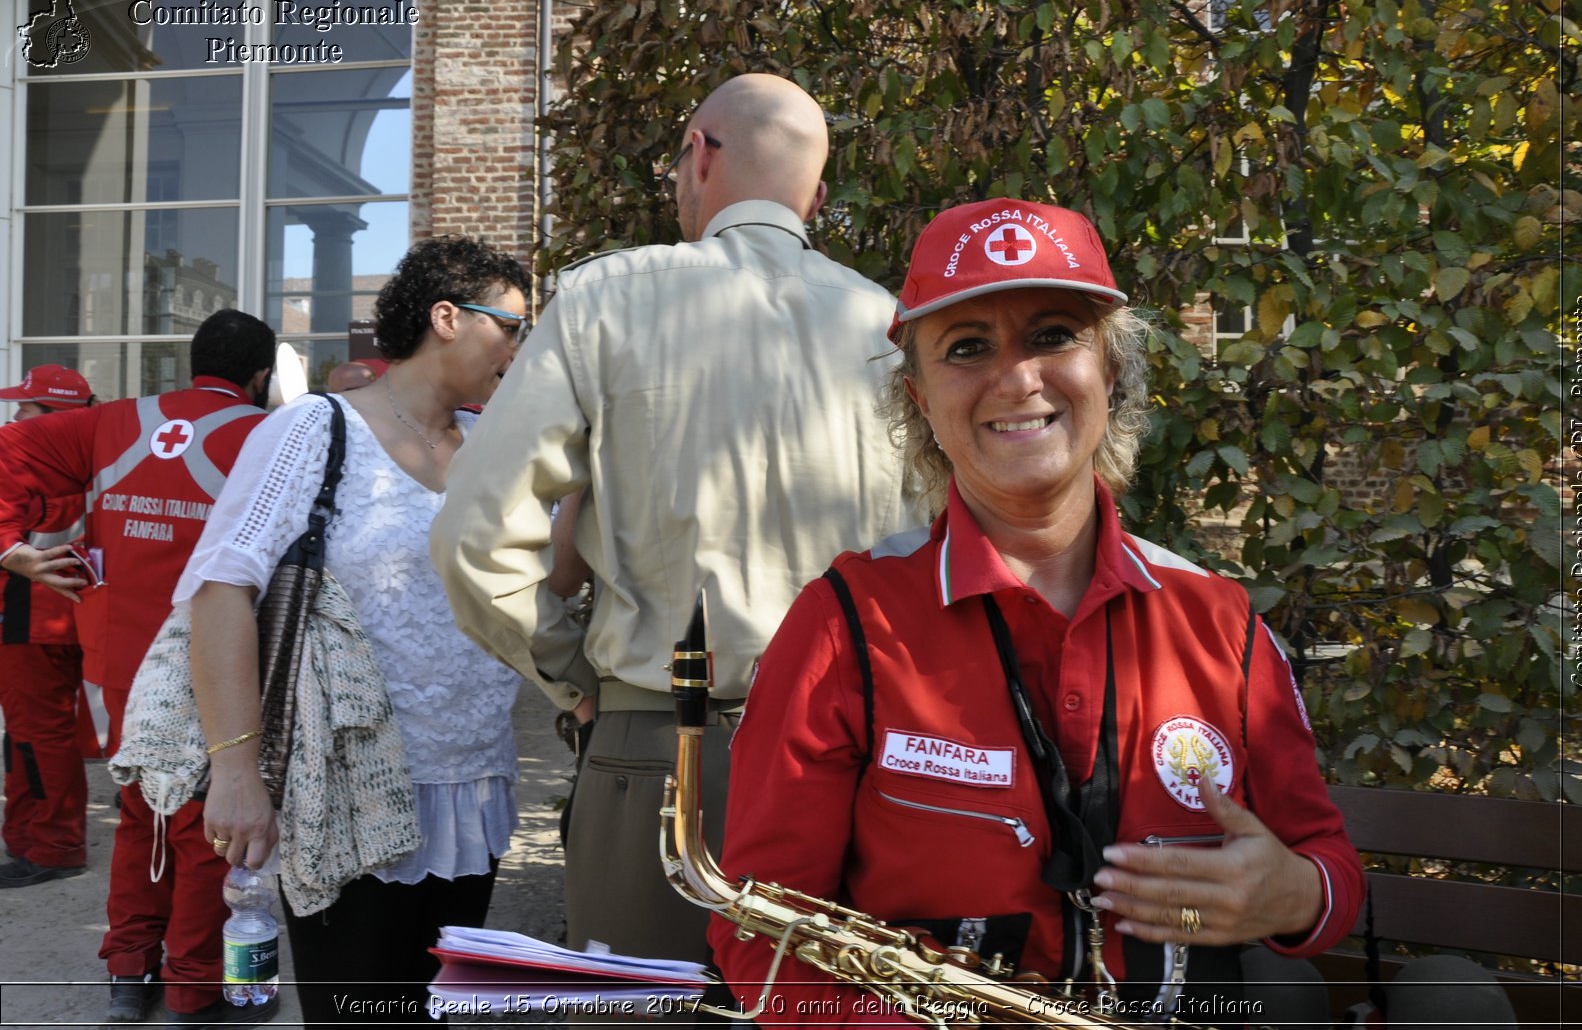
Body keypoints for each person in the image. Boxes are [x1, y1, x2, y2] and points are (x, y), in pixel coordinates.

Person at [709, 199, 1367, 1026]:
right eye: (968, 347)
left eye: (1054, 335)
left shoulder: (1219, 620)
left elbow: (1331, 873)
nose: (1018, 378)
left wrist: (1291, 894)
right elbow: (763, 942)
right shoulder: (843, 623)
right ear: (918, 398)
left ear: (1111, 370)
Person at [430, 72, 921, 966]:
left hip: (659, 749)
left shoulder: (606, 298)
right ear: (816, 189)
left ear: (699, 155)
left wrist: (572, 673)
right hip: (860, 759)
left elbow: (473, 529)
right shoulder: (891, 327)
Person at [184, 236, 530, 1025]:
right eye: (509, 325)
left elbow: (550, 584)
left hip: (471, 790)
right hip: (344, 791)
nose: (517, 346)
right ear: (447, 318)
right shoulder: (316, 428)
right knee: (358, 1013)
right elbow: (219, 589)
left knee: (431, 1012)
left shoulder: (492, 447)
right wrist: (236, 772)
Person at [0, 311, 276, 1026]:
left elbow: (5, 451)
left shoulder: (119, 420)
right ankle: (194, 987)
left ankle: (129, 968)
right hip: (209, 664)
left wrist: (11, 550)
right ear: (260, 376)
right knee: (208, 829)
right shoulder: (266, 434)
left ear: (191, 365)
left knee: (141, 813)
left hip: (123, 660)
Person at [0, 365, 95, 889]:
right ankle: (28, 836)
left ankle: (54, 847)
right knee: (33, 735)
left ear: (54, 415)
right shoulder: (100, 457)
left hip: (30, 619)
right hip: (69, 613)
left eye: (27, 407)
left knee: (38, 736)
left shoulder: (21, 457)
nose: (16, 416)